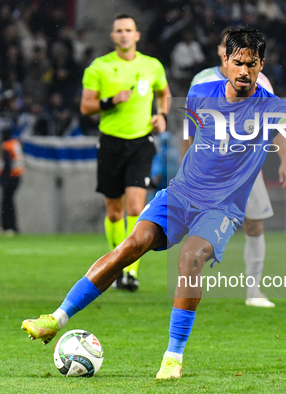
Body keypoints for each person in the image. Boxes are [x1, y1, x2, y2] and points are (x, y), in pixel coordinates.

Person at [22, 27, 286, 379]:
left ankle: (173, 357)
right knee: (131, 245)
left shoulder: (271, 107)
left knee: (190, 258)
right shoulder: (200, 94)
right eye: (237, 63)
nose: (244, 71)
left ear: (262, 65)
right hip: (180, 195)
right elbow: (190, 138)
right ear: (224, 61)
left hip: (221, 208)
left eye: (252, 65)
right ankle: (55, 319)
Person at [187, 26, 286, 308]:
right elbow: (191, 127)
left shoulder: (263, 83)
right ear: (222, 53)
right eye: (227, 47)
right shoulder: (202, 81)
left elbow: (277, 123)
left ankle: (253, 290)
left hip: (246, 170)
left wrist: (285, 160)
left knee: (255, 226)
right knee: (192, 230)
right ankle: (188, 286)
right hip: (207, 171)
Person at [79, 13, 171, 291]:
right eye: (118, 30)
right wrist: (110, 101)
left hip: (141, 143)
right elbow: (86, 107)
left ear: (137, 35)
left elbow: (164, 93)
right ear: (113, 36)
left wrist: (162, 114)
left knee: (135, 207)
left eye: (128, 30)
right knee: (115, 213)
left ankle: (129, 272)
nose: (123, 34)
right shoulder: (99, 67)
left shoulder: (152, 66)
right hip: (110, 143)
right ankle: (118, 265)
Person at [0, 128, 24, 235]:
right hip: (17, 175)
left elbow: (7, 163)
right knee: (8, 201)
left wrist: (3, 178)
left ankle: (8, 226)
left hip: (11, 177)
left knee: (6, 202)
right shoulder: (15, 144)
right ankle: (9, 226)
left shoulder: (7, 145)